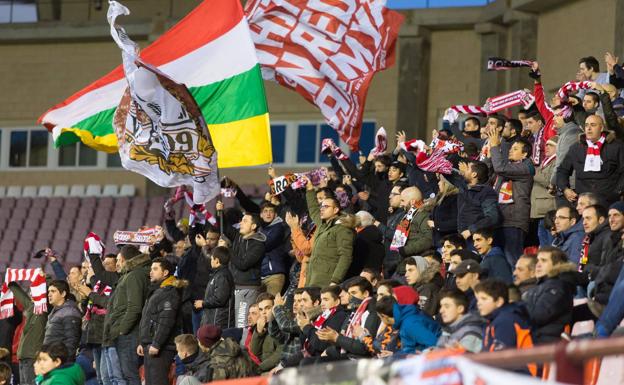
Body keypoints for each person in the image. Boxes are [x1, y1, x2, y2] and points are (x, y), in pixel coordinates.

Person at [102, 245, 151, 385]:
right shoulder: (131, 274)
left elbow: (134, 308)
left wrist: (121, 330)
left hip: (129, 334)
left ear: (124, 260)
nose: (117, 263)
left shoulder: (134, 276)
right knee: (124, 375)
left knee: (128, 375)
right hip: (127, 332)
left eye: (118, 260)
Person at [488, 124, 535, 266]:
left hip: (514, 221)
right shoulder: (508, 167)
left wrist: (496, 146)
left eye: (515, 149)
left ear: (525, 154)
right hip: (500, 219)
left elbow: (500, 167)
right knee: (498, 261)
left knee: (512, 260)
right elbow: (492, 172)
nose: (510, 151)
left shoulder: (526, 167)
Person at [555, 114, 624, 206]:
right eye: (586, 125)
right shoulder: (575, 148)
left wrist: (617, 192)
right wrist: (565, 189)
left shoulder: (616, 146)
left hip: (609, 202)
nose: (589, 128)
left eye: (593, 125)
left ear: (602, 128)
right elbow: (562, 170)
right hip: (583, 202)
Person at [218, 203, 267, 328]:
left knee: (243, 324)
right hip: (237, 287)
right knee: (237, 324)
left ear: (253, 226)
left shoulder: (258, 245)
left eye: (245, 221)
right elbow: (225, 227)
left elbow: (243, 264)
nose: (241, 223)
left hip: (247, 288)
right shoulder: (239, 237)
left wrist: (228, 249)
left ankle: (245, 347)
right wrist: (220, 212)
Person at [475, 279, 536, 376]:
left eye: (484, 299)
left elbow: (500, 361)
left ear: (499, 301)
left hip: (521, 378)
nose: (478, 303)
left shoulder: (506, 321)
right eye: (478, 299)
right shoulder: (493, 321)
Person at [138, 257, 184, 385]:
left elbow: (166, 320)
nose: (151, 272)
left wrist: (157, 343)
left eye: (155, 269)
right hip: (150, 344)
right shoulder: (157, 290)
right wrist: (142, 342)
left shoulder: (169, 292)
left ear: (165, 273)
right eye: (151, 269)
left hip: (161, 347)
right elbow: (149, 318)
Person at [304, 177, 355, 287]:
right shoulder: (323, 223)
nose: (321, 209)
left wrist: (335, 280)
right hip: (312, 278)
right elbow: (313, 209)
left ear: (336, 210)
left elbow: (345, 256)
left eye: (326, 207)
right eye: (321, 206)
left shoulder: (343, 227)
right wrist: (309, 188)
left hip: (326, 281)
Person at [523, 247, 576, 345]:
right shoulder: (539, 286)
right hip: (533, 340)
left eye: (544, 261)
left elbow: (538, 315)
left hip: (546, 344)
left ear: (557, 265)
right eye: (537, 260)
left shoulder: (558, 287)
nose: (538, 264)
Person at [179, 325, 255, 384]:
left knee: (187, 380)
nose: (198, 344)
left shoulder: (217, 364)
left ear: (205, 344)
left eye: (199, 341)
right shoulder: (236, 347)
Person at [445, 160, 500, 241]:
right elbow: (446, 171)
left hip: (478, 238)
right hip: (463, 236)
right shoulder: (464, 186)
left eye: (467, 169)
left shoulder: (486, 192)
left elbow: (493, 217)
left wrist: (471, 230)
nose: (463, 170)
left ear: (474, 174)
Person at [7, 276, 47, 385]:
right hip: (23, 356)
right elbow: (22, 297)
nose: (32, 295)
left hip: (31, 357)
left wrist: (45, 278)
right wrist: (10, 282)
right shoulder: (31, 308)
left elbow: (45, 290)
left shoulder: (43, 310)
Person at [374, 295, 440, 354]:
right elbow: (411, 349)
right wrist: (394, 355)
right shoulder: (404, 320)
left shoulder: (410, 324)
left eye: (380, 317)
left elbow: (435, 345)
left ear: (384, 316)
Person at [298, 286, 348, 360]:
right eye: (322, 300)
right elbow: (304, 344)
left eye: (326, 300)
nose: (322, 304)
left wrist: (306, 327)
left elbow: (320, 344)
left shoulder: (339, 316)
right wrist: (303, 328)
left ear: (337, 301)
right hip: (312, 356)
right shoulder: (323, 315)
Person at [194, 246, 235, 329]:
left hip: (219, 321)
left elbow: (220, 299)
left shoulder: (222, 276)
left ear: (217, 261)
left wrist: (203, 303)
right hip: (212, 319)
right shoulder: (217, 274)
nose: (211, 261)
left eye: (212, 259)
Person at [390, 186, 433, 260]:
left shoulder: (423, 215)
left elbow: (428, 239)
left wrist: (405, 250)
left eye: (403, 200)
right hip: (405, 259)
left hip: (415, 259)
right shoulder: (408, 215)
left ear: (412, 201)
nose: (401, 204)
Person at [437, 289, 484, 353]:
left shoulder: (471, 333)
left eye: (447, 306)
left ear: (460, 309)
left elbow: (463, 360)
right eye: (441, 306)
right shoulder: (449, 329)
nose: (441, 311)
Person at [531, 135, 558, 246]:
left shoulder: (557, 162)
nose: (546, 147)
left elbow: (550, 180)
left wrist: (533, 171)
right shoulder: (545, 162)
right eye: (546, 145)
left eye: (550, 145)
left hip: (548, 208)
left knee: (550, 244)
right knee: (543, 245)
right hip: (540, 210)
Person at [44, 280, 82, 360]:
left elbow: (71, 340)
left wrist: (65, 362)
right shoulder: (55, 312)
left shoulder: (70, 311)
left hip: (60, 361)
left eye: (53, 291)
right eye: (49, 291)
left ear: (63, 294)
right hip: (51, 359)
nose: (49, 294)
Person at [376, 184, 407, 277]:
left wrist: (377, 224)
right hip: (388, 261)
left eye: (394, 194)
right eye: (390, 194)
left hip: (395, 262)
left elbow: (397, 237)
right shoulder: (395, 212)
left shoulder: (406, 215)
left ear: (403, 196)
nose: (390, 197)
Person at [250, 293, 284, 373]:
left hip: (276, 369)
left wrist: (259, 368)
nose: (264, 312)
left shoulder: (281, 324)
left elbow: (280, 353)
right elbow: (255, 352)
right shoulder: (263, 325)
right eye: (261, 309)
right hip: (264, 369)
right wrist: (258, 332)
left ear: (274, 307)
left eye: (267, 308)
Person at [579, 205, 611, 276]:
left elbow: (604, 268)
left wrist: (586, 268)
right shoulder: (589, 237)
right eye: (583, 219)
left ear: (601, 220)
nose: (584, 222)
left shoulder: (608, 236)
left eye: (588, 218)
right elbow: (584, 262)